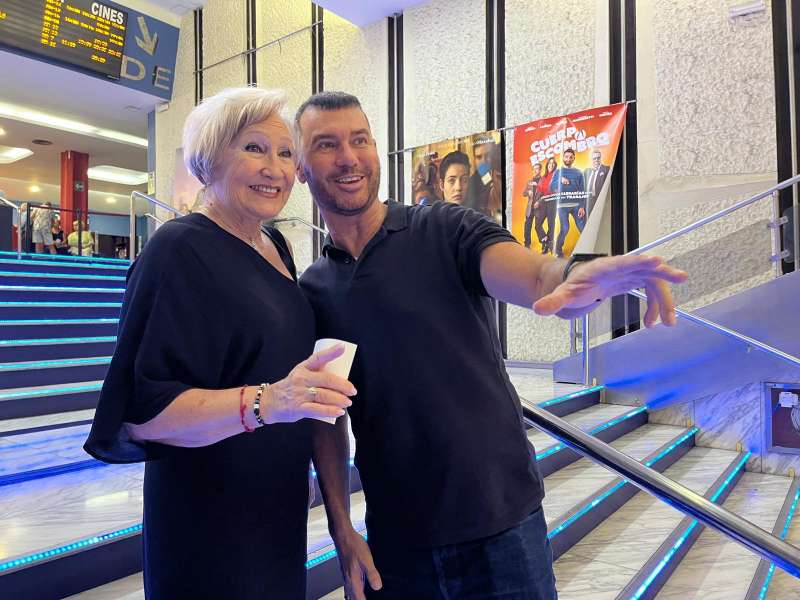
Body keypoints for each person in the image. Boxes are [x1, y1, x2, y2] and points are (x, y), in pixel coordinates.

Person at [294, 91, 687, 600]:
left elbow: (537, 276)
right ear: (301, 168)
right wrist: (341, 530)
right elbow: (327, 418)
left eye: (360, 140)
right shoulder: (314, 289)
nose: (348, 157)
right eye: (326, 145)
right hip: (398, 542)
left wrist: (573, 276)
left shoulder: (444, 229)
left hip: (502, 528)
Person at [83, 86, 355, 598]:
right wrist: (268, 401)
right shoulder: (178, 249)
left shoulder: (273, 245)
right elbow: (144, 413)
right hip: (208, 521)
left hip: (274, 508)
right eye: (253, 148)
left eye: (284, 153)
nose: (274, 169)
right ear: (210, 157)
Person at [549, 148, 586, 257]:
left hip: (576, 206)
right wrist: (560, 180)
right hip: (562, 206)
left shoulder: (578, 173)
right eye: (566, 157)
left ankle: (588, 251)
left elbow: (582, 191)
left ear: (574, 158)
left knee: (583, 228)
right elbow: (551, 187)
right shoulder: (558, 172)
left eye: (571, 157)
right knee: (565, 228)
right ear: (563, 158)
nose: (568, 159)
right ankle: (558, 250)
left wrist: (582, 207)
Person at [465, 135, 502, 220]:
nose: (483, 161)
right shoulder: (470, 185)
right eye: (478, 157)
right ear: (474, 159)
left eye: (487, 155)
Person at [537, 157, 559, 255]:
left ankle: (548, 247)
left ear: (555, 166)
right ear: (547, 165)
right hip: (544, 202)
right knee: (538, 224)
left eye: (553, 163)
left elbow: (557, 188)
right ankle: (545, 241)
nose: (551, 165)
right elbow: (541, 191)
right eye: (549, 163)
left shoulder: (556, 176)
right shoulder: (543, 177)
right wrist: (538, 200)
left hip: (552, 202)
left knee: (551, 224)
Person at [583, 149, 610, 217]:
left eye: (598, 158)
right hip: (588, 202)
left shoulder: (606, 169)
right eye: (594, 158)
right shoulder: (587, 172)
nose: (596, 160)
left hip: (600, 201)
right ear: (591, 160)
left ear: (601, 158)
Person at [522, 162, 543, 249]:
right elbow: (523, 193)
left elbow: (546, 193)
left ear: (540, 170)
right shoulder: (529, 182)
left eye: (537, 168)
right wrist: (528, 192)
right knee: (527, 226)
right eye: (533, 169)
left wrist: (539, 202)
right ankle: (527, 244)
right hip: (530, 208)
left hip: (539, 208)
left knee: (538, 227)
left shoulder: (543, 181)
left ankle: (544, 243)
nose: (534, 170)